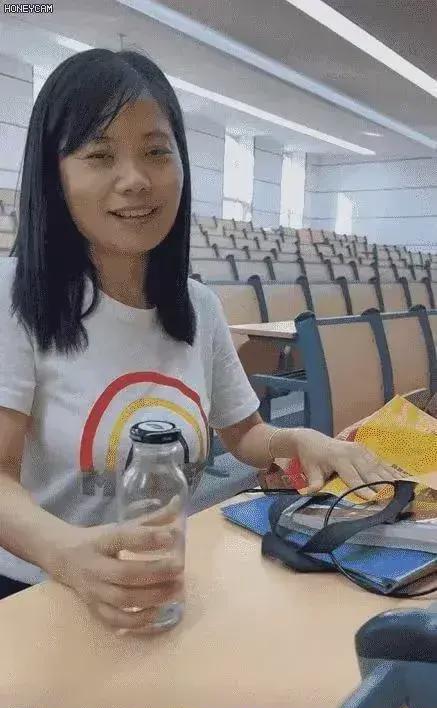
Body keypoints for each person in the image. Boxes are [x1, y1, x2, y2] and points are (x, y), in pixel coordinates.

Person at [0, 49, 396, 624]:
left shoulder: (197, 306)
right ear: (53, 175)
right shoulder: (15, 296)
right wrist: (67, 556)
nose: (136, 180)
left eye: (157, 152)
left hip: (158, 586)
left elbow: (246, 435)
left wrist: (303, 440)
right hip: (35, 597)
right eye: (100, 155)